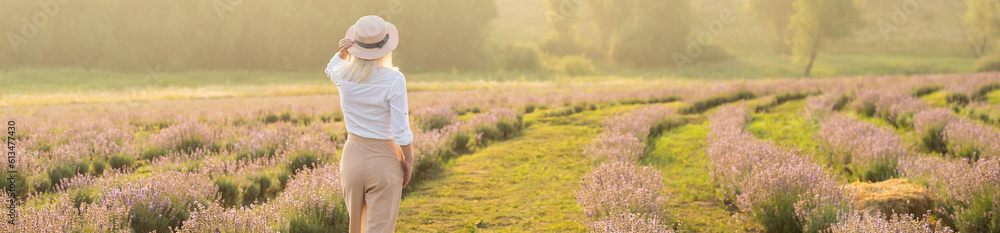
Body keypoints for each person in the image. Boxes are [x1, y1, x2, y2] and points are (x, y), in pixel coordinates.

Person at [324, 15, 414, 233]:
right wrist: (408, 159)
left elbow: (330, 69)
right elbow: (400, 129)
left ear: (356, 45)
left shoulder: (343, 75)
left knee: (356, 227)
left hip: (352, 158)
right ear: (384, 47)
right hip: (384, 158)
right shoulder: (394, 79)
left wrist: (342, 54)